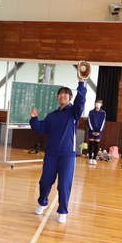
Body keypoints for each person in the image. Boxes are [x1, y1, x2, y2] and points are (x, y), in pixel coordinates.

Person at [29, 77, 86, 223]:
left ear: (70, 97)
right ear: (57, 97)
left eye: (66, 94)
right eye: (60, 94)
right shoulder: (51, 116)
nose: (63, 96)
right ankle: (42, 203)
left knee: (64, 185)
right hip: (51, 154)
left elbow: (81, 101)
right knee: (45, 182)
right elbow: (40, 129)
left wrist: (81, 83)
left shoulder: (74, 112)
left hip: (67, 155)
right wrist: (34, 119)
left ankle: (62, 212)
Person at [87, 99, 106, 165]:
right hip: (92, 130)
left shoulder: (103, 113)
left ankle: (94, 158)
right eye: (97, 103)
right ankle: (90, 158)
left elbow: (103, 123)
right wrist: (92, 130)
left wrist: (99, 131)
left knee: (96, 144)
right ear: (94, 103)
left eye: (99, 103)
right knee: (91, 144)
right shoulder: (91, 112)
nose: (98, 104)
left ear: (101, 104)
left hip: (98, 131)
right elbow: (89, 121)